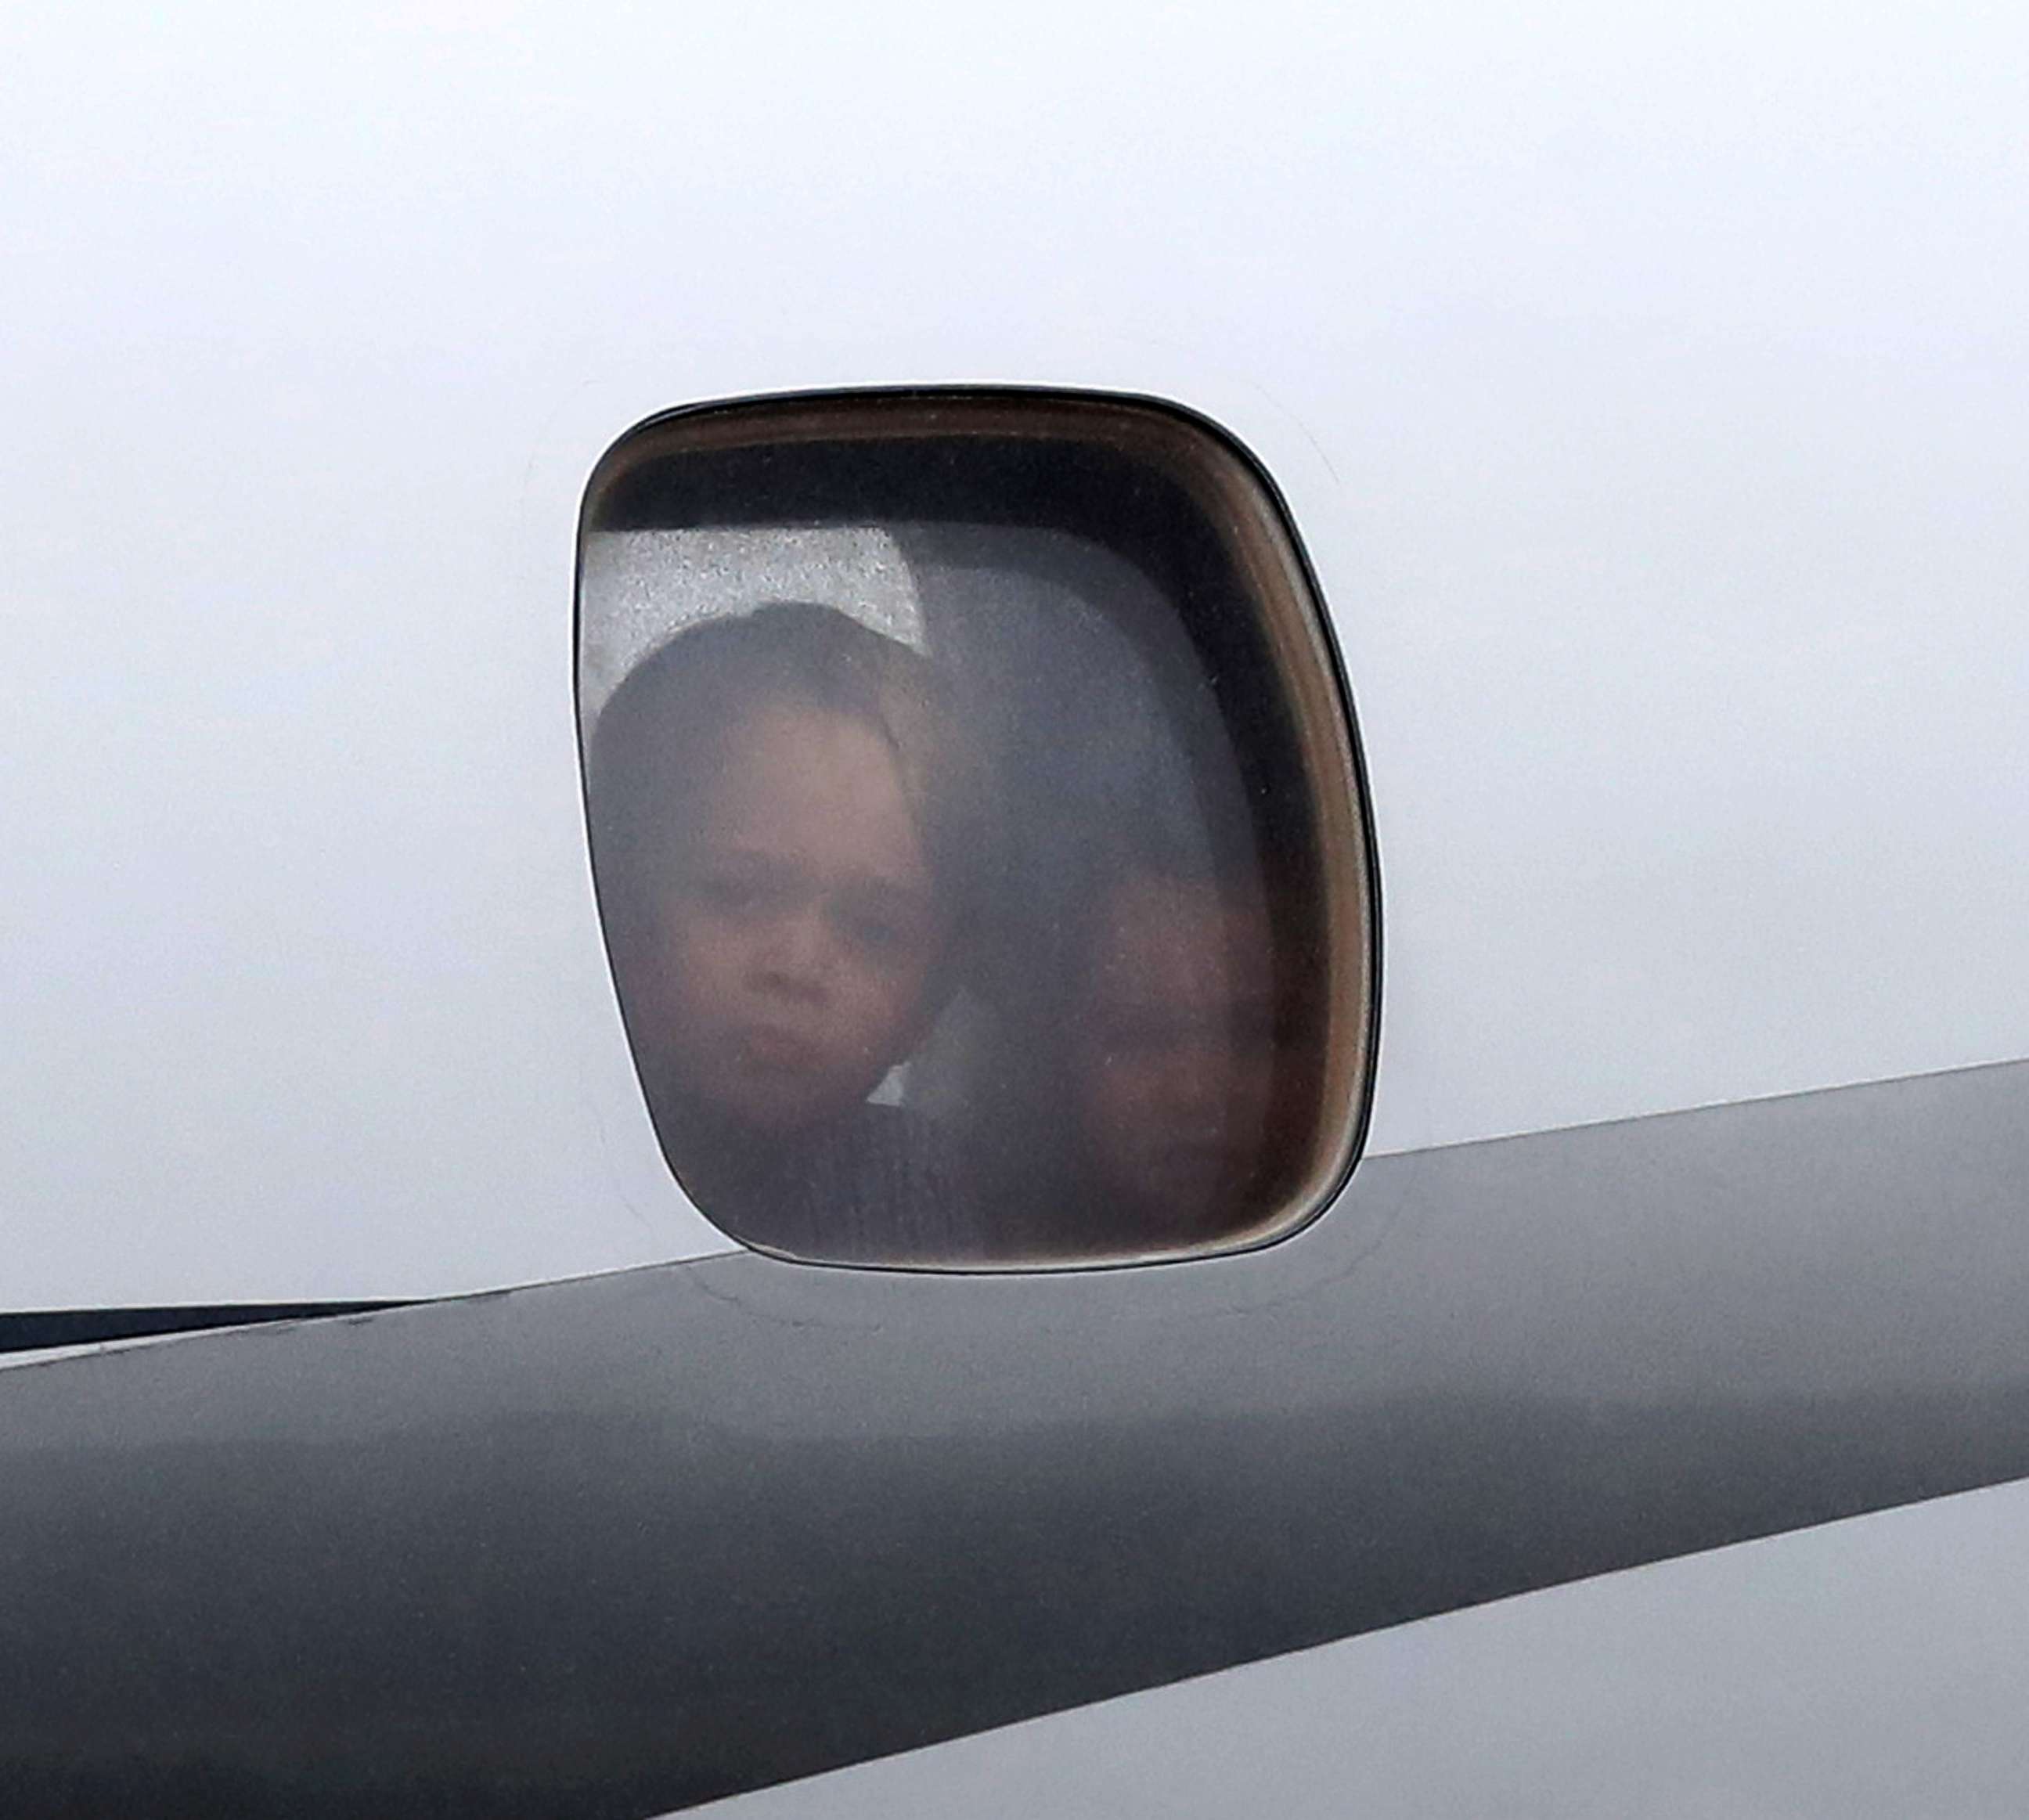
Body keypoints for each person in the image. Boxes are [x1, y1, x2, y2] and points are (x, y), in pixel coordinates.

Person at [586, 602, 988, 1263]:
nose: (798, 967)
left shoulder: (918, 1197)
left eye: (876, 931)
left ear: (931, 1003)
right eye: (738, 893)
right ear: (620, 903)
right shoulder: (527, 1163)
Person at [1051, 838, 1320, 1255]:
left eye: (1253, 1036)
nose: (1196, 1093)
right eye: (1143, 1035)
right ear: (1064, 1050)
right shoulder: (968, 1233)